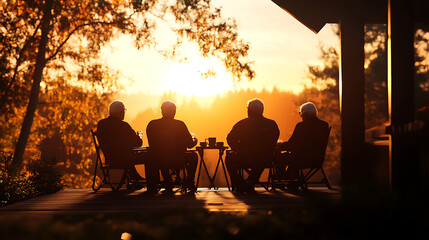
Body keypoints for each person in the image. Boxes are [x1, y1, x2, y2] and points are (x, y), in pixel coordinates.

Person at [226, 98, 280, 193]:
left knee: (229, 158)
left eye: (247, 108)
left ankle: (239, 183)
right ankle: (250, 182)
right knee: (262, 158)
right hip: (265, 159)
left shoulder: (242, 124)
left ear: (249, 110)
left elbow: (230, 139)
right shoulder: (271, 124)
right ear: (261, 110)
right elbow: (273, 142)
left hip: (244, 157)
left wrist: (238, 149)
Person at [146, 100, 198, 192]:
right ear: (174, 112)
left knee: (159, 157)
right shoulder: (180, 125)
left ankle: (167, 179)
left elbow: (152, 144)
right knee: (194, 156)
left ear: (162, 111)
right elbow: (189, 144)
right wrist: (195, 140)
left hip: (158, 160)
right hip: (178, 159)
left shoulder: (152, 125)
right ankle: (189, 182)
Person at [277, 102, 330, 189]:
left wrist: (280, 146)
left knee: (279, 157)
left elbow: (292, 144)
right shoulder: (324, 125)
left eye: (301, 113)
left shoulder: (301, 126)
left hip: (300, 159)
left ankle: (283, 180)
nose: (300, 116)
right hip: (317, 159)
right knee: (293, 156)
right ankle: (292, 180)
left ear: (305, 114)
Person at [96, 100, 144, 182]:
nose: (124, 113)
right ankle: (152, 184)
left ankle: (134, 175)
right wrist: (138, 137)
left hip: (110, 159)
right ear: (120, 112)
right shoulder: (123, 126)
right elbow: (138, 143)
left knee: (127, 155)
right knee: (150, 157)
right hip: (125, 159)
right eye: (123, 111)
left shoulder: (101, 124)